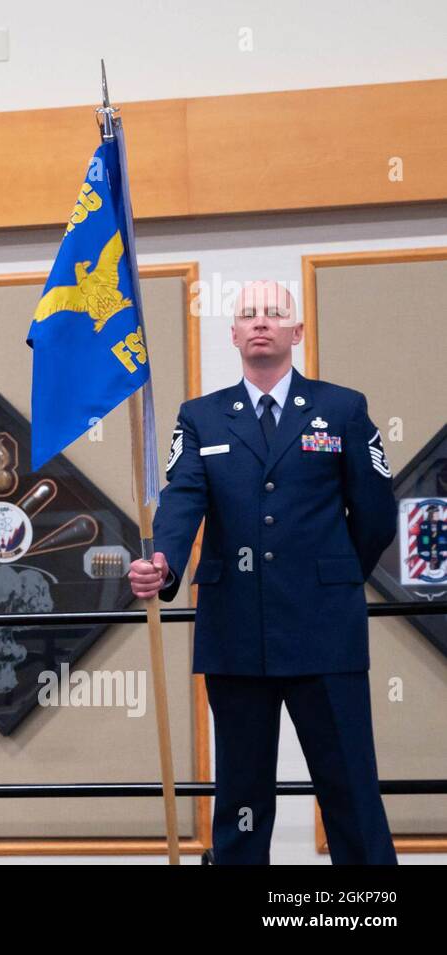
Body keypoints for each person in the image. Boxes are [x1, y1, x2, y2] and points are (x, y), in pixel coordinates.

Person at [129, 280, 397, 864]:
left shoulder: (342, 409)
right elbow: (182, 500)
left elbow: (376, 513)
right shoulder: (201, 417)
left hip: (325, 629)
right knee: (241, 799)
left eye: (274, 314)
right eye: (247, 313)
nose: (260, 322)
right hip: (236, 633)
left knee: (349, 787)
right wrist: (164, 559)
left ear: (296, 332)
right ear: (232, 334)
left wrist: (335, 572)